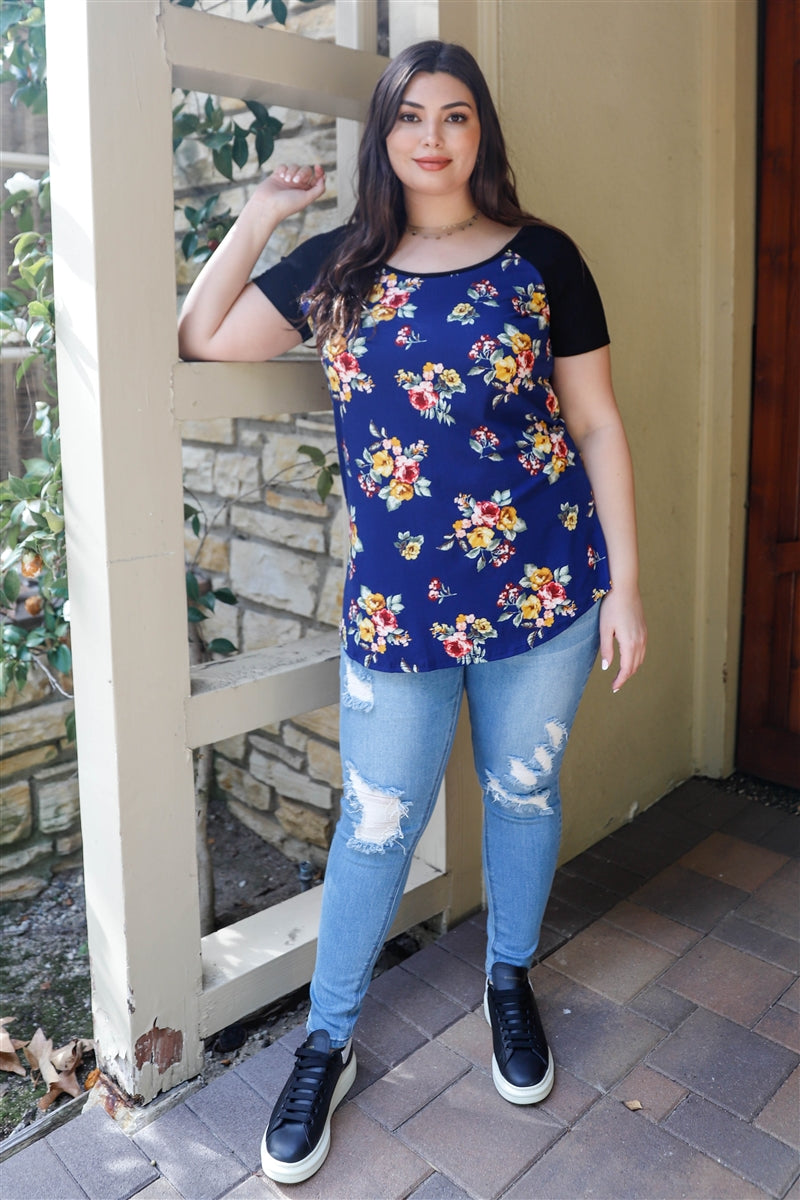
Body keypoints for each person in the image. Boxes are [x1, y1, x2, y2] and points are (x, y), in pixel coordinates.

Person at [178, 39, 646, 1185]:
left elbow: (592, 422)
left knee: (521, 790)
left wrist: (624, 584)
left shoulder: (544, 259)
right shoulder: (345, 263)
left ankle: (506, 979)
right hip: (398, 608)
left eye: (454, 116)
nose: (430, 136)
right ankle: (326, 1041)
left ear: (480, 133)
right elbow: (204, 332)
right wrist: (257, 213)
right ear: (382, 136)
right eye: (408, 117)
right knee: (377, 819)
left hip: (543, 585)